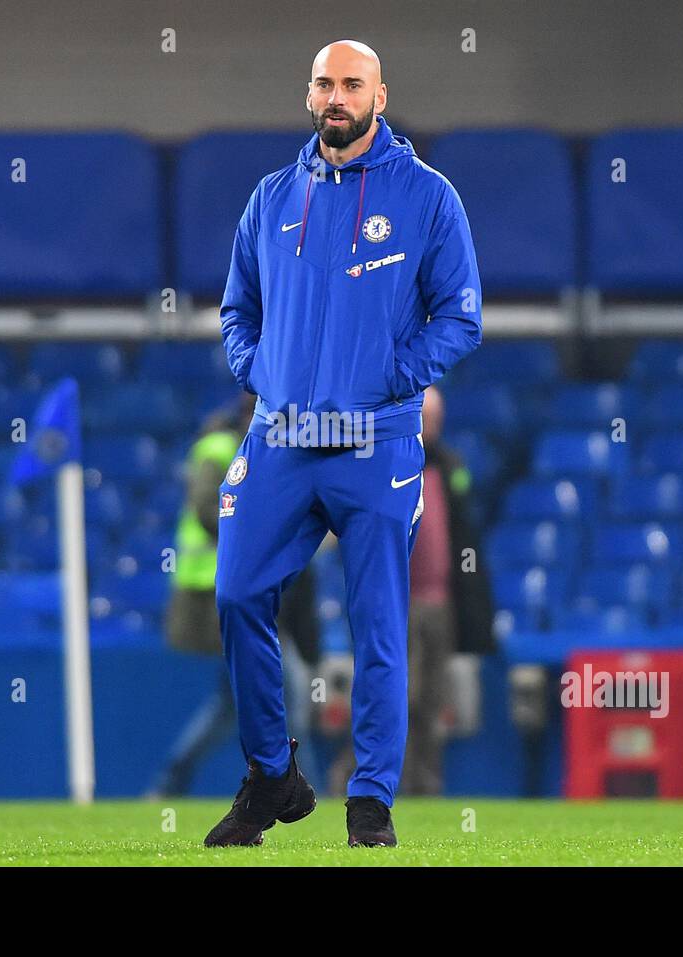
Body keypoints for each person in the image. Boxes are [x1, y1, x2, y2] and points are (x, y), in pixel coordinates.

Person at [205, 39, 482, 848]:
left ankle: (371, 800)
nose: (337, 95)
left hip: (375, 441)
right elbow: (236, 311)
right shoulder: (270, 197)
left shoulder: (428, 197)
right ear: (309, 94)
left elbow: (461, 315)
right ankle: (270, 776)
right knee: (235, 593)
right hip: (282, 437)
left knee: (378, 624)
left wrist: (392, 377)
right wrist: (267, 376)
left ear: (379, 96)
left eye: (351, 84)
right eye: (325, 82)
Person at [326, 386, 496, 796]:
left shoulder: (449, 467)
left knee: (430, 702)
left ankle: (424, 787)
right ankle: (350, 779)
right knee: (393, 694)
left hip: (440, 603)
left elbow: (464, 536)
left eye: (435, 417)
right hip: (395, 601)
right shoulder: (382, 460)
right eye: (426, 416)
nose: (430, 425)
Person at [153, 400, 320, 796]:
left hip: (255, 596)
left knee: (232, 704)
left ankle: (174, 778)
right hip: (219, 595)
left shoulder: (277, 453)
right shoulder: (220, 450)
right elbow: (208, 513)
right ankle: (298, 787)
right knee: (285, 695)